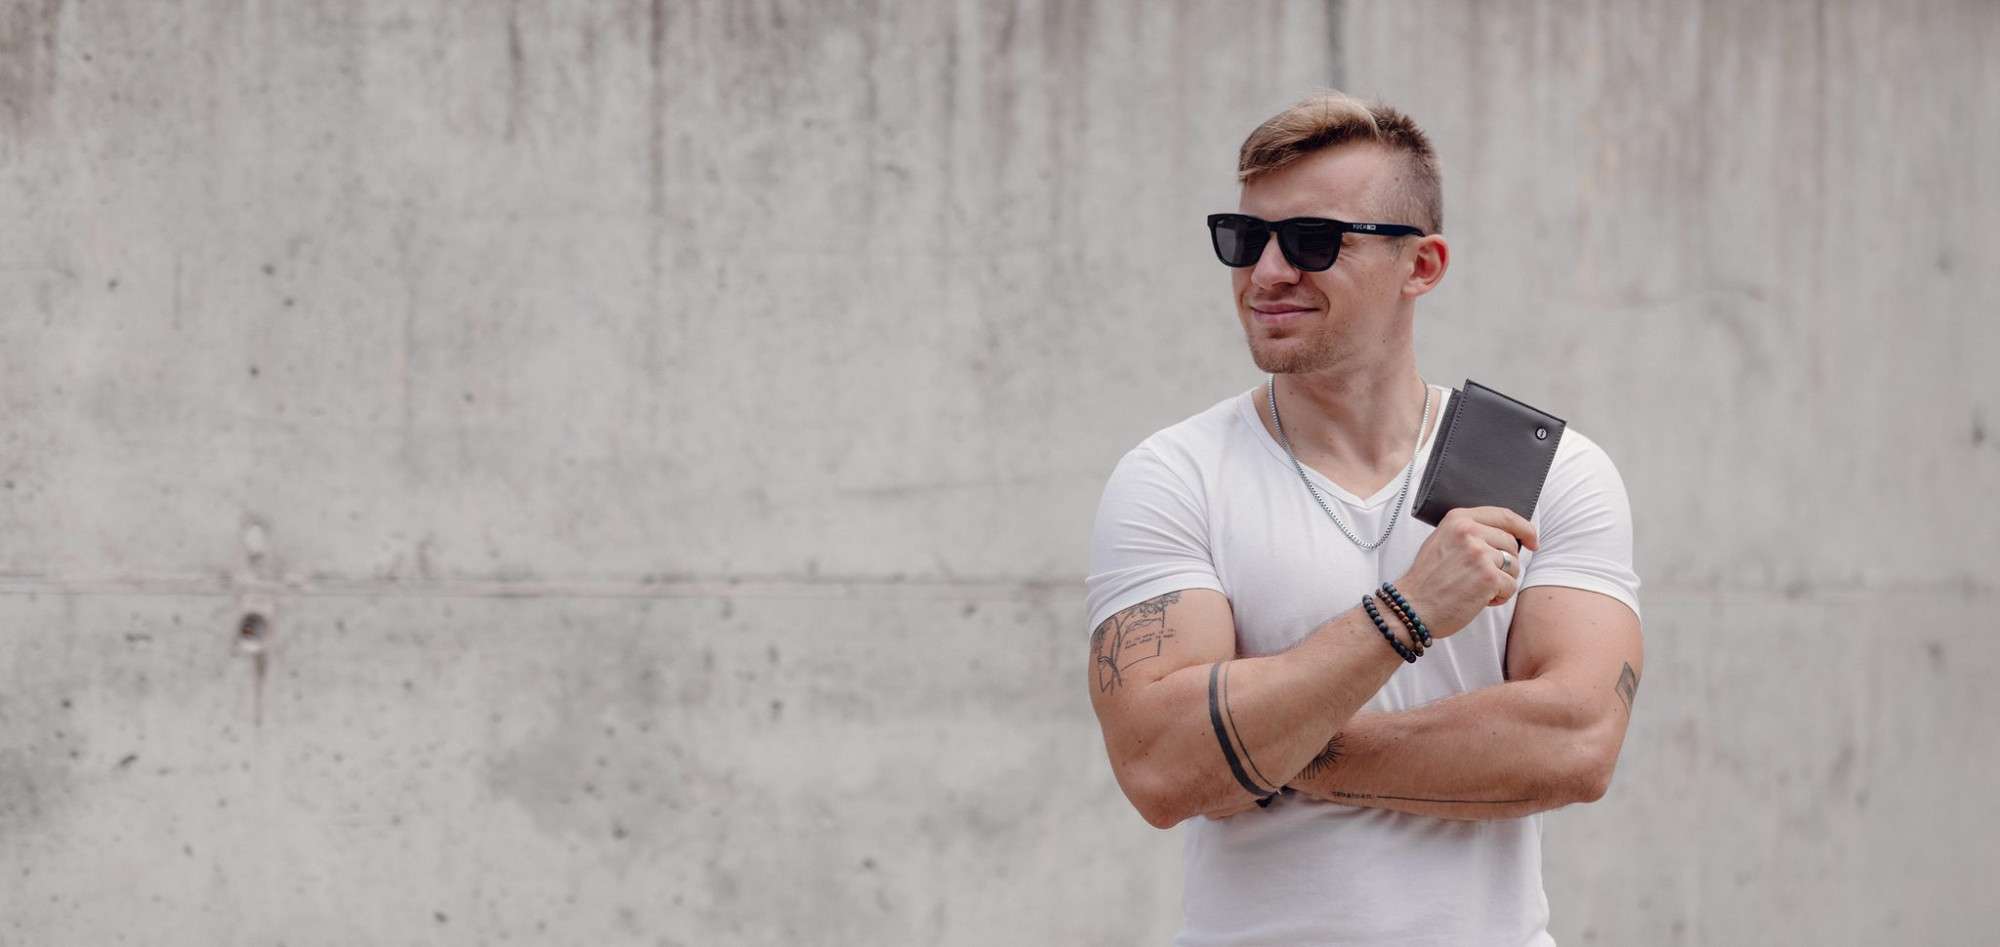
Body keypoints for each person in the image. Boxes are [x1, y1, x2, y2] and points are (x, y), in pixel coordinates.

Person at [1083, 91, 1644, 946]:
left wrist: (1263, 750)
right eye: (1245, 237)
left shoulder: (1546, 470)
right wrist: (1406, 612)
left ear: (1421, 265)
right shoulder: (1175, 476)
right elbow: (1162, 767)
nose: (1268, 272)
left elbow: (1573, 743)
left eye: (1314, 240)